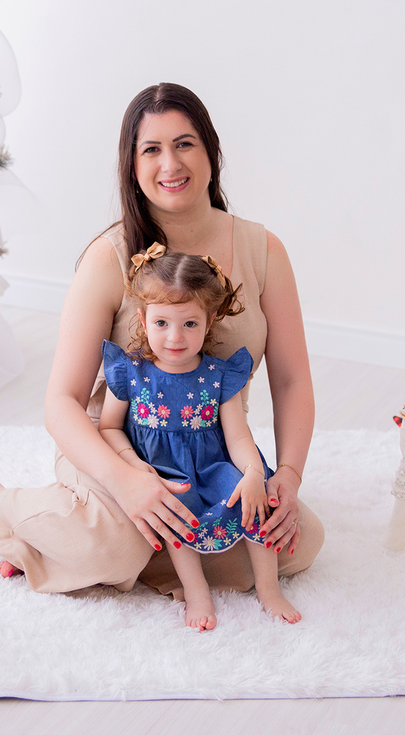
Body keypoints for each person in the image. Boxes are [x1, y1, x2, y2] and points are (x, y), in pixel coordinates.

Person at [0, 82, 323, 603]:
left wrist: (288, 477)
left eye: (184, 144)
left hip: (211, 454)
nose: (170, 163)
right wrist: (126, 483)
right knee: (116, 545)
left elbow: (291, 381)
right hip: (116, 443)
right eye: (152, 149)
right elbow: (62, 402)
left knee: (296, 543)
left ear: (211, 153)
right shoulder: (109, 256)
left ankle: (67, 543)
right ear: (132, 165)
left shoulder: (263, 249)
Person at [100, 245, 301, 629]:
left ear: (209, 323)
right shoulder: (130, 371)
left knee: (255, 498)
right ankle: (196, 592)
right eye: (162, 323)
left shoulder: (219, 376)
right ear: (143, 319)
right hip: (161, 472)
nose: (175, 337)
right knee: (177, 508)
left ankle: (269, 588)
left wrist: (253, 474)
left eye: (190, 324)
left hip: (211, 464)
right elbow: (108, 428)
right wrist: (133, 465)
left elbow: (238, 438)